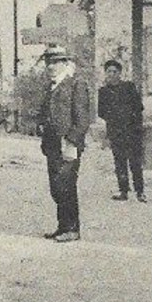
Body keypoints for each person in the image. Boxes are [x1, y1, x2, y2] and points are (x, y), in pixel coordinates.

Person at [37, 44, 93, 242]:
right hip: (52, 145)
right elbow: (45, 114)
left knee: (66, 185)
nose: (50, 66)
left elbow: (83, 118)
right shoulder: (50, 87)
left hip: (68, 144)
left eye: (55, 62)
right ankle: (62, 227)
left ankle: (72, 229)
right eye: (47, 62)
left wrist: (72, 142)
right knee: (55, 187)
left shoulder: (75, 85)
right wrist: (42, 128)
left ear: (65, 64)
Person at [97, 58, 146, 203]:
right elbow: (101, 112)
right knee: (119, 162)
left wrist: (132, 122)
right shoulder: (103, 92)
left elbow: (139, 107)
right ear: (105, 73)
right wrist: (114, 120)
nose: (111, 74)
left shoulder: (129, 87)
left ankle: (140, 192)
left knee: (135, 162)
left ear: (120, 74)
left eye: (114, 71)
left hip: (132, 131)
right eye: (109, 72)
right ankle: (123, 191)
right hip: (116, 132)